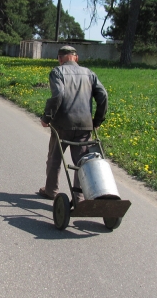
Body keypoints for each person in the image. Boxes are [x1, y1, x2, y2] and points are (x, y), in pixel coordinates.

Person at [39, 45, 108, 203]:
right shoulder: (89, 73)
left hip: (62, 124)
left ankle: (51, 190)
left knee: (55, 158)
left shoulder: (57, 72)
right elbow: (103, 95)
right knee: (82, 162)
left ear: (60, 58)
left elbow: (59, 95)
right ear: (76, 58)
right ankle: (79, 197)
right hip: (84, 125)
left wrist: (47, 117)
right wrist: (97, 120)